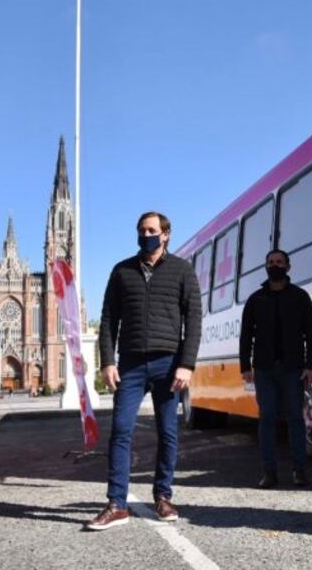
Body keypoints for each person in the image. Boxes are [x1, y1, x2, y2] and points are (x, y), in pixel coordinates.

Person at [88, 212, 201, 530]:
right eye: (141, 230)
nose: (145, 235)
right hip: (131, 365)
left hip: (169, 364)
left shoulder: (182, 270)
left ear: (166, 234)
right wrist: (107, 361)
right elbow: (109, 320)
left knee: (168, 432)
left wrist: (187, 364)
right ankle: (117, 504)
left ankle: (163, 497)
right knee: (121, 431)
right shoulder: (122, 271)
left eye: (151, 230)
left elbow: (194, 320)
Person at [239, 249, 312, 488]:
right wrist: (245, 366)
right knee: (266, 421)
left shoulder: (300, 297)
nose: (275, 265)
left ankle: (299, 471)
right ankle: (269, 473)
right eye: (271, 262)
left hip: (293, 369)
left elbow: (310, 335)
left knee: (296, 420)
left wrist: (311, 366)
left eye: (279, 262)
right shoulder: (256, 300)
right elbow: (246, 336)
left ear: (288, 267)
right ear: (266, 267)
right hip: (263, 370)